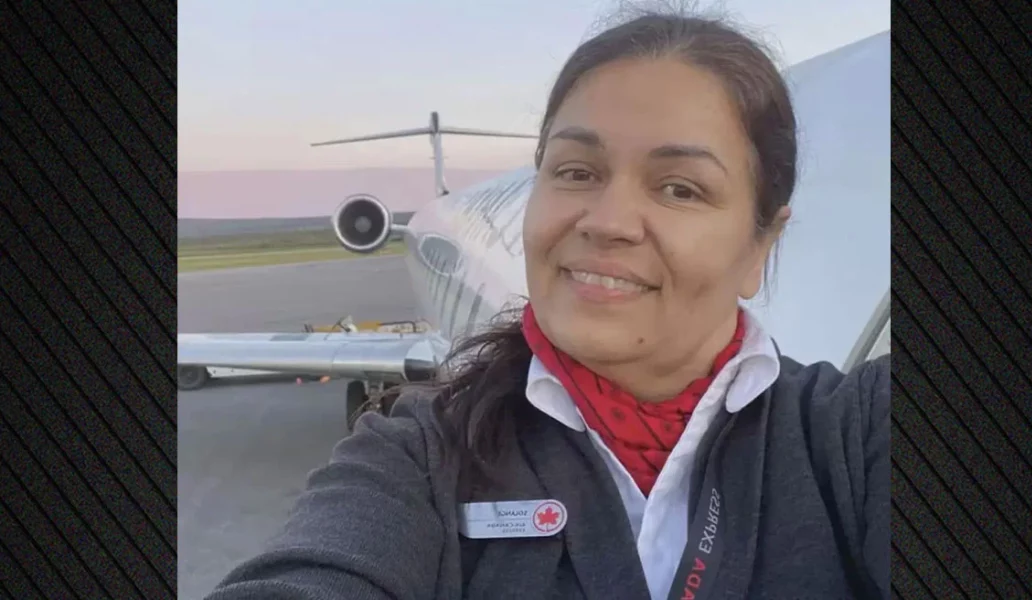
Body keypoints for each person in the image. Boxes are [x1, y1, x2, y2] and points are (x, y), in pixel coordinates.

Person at [207, 6, 890, 600]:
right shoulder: (416, 457)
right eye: (576, 171)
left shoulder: (851, 438)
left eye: (679, 188)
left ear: (761, 243)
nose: (607, 221)